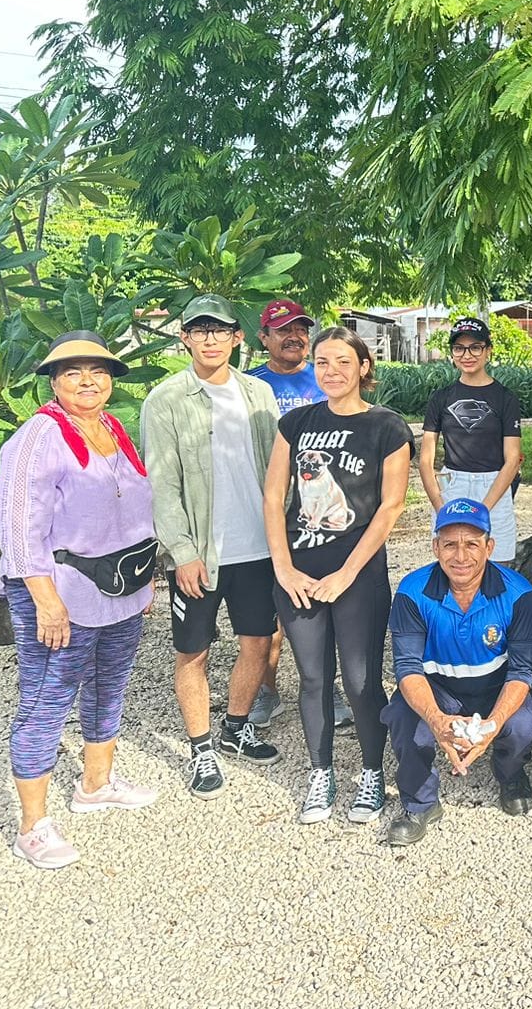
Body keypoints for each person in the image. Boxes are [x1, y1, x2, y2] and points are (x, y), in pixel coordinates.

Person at [0, 331, 158, 868]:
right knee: (46, 701)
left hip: (118, 587)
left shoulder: (112, 427)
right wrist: (44, 600)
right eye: (73, 372)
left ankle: (96, 783)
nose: (88, 381)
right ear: (54, 381)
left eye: (97, 370)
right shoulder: (38, 437)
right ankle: (32, 825)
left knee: (109, 686)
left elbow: (131, 510)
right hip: (59, 592)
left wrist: (143, 582)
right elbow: (20, 526)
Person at [264, 326, 413, 824]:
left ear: (364, 367)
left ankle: (371, 773)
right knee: (312, 678)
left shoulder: (388, 427)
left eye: (343, 362)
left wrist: (347, 574)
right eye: (323, 362)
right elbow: (272, 499)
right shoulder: (296, 424)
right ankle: (321, 772)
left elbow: (391, 507)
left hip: (358, 575)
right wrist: (283, 568)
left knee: (361, 679)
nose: (331, 372)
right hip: (299, 573)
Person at [141, 294, 283, 798]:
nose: (210, 338)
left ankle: (235, 726)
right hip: (201, 552)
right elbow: (162, 483)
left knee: (258, 644)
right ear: (184, 337)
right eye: (199, 329)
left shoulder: (258, 393)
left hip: (259, 550)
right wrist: (181, 551)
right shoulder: (165, 400)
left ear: (237, 337)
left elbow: (276, 468)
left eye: (219, 329)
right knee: (193, 652)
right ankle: (200, 748)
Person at [383, 498, 532, 845]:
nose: (461, 556)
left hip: (496, 685)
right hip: (438, 686)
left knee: (525, 723)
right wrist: (437, 719)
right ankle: (420, 800)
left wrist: (493, 724)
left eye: (472, 544)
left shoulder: (520, 594)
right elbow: (408, 668)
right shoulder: (412, 592)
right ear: (435, 547)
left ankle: (510, 772)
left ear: (489, 546)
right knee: (404, 717)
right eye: (450, 544)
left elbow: (520, 672)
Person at [242, 298, 354, 736]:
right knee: (267, 612)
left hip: (318, 513)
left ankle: (331, 688)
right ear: (263, 337)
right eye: (283, 329)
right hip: (267, 510)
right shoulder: (249, 386)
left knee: (328, 605)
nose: (295, 337)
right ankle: (268, 689)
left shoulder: (326, 380)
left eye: (302, 329)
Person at [419, 316, 524, 562]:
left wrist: (485, 507)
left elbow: (512, 459)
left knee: (499, 564)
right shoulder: (441, 398)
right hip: (452, 484)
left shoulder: (505, 398)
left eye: (475, 347)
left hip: (493, 486)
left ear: (488, 350)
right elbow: (426, 460)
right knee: (453, 563)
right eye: (459, 348)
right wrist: (438, 503)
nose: (467, 355)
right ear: (452, 353)